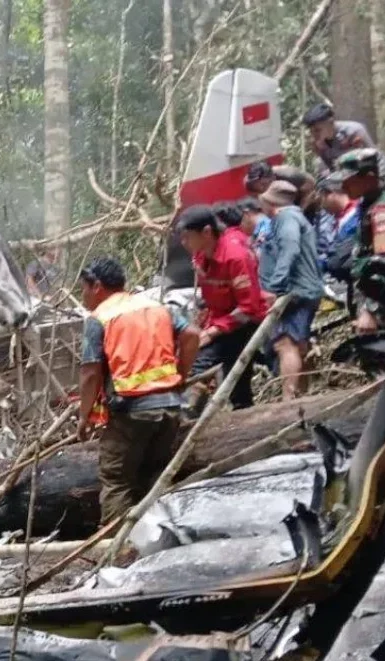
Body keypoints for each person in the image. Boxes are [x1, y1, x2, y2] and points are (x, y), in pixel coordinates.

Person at [76, 256, 199, 525]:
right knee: (155, 478)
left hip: (132, 411)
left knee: (117, 480)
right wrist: (180, 375)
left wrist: (84, 416)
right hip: (169, 407)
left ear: (97, 286)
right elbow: (192, 334)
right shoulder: (157, 307)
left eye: (84, 289)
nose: (83, 296)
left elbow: (90, 373)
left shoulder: (100, 319)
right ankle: (161, 540)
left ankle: (118, 551)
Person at [178, 205, 268, 412]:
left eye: (188, 237)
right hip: (221, 318)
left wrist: (213, 331)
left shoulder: (235, 256)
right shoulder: (201, 255)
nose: (184, 243)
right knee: (237, 383)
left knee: (199, 362)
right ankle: (241, 412)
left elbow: (249, 307)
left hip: (244, 322)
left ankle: (187, 414)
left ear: (207, 232)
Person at [331, 148, 385, 334]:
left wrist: (369, 310)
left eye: (348, 180)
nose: (343, 186)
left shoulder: (384, 210)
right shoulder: (371, 204)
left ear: (369, 177)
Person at [257, 181, 326, 400]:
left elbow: (290, 247)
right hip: (300, 290)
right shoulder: (292, 218)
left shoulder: (287, 218)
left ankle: (289, 398)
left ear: (271, 202)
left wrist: (277, 284)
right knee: (297, 343)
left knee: (285, 343)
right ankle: (303, 395)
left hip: (295, 292)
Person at [302, 103, 377, 177]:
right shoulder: (317, 142)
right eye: (311, 131)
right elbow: (330, 168)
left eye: (317, 130)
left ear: (331, 122)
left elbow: (375, 159)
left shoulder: (354, 131)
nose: (314, 135)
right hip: (340, 179)